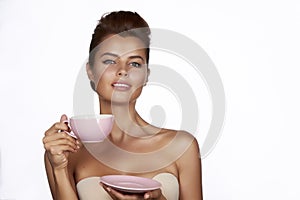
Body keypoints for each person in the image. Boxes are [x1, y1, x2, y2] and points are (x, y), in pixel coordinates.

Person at [43, 11, 203, 200]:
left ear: (146, 75)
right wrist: (60, 170)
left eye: (134, 63)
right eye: (110, 61)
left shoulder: (182, 147)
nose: (122, 71)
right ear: (90, 71)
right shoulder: (67, 151)